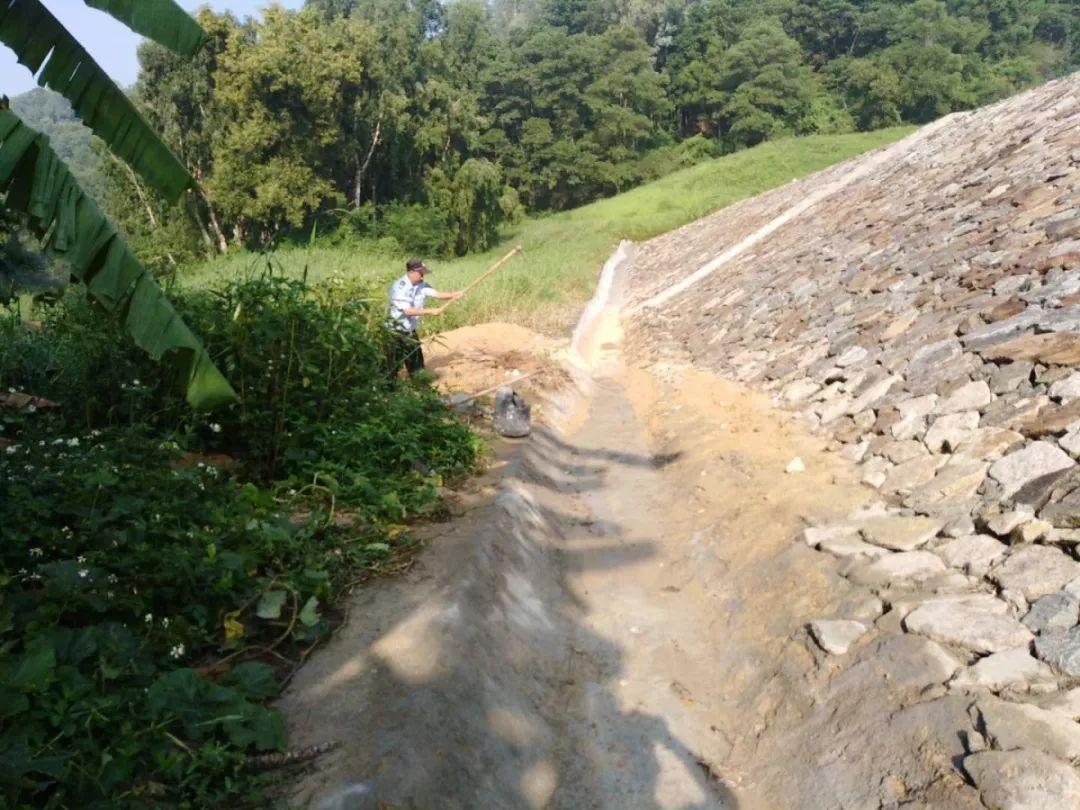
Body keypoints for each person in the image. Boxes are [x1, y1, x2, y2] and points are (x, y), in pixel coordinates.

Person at [384, 257, 463, 380]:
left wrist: (453, 295)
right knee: (391, 366)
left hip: (409, 331)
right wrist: (431, 311)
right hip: (394, 332)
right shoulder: (399, 287)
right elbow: (407, 310)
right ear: (411, 272)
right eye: (420, 273)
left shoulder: (421, 285)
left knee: (416, 365)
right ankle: (388, 387)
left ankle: (419, 382)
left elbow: (436, 294)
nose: (423, 276)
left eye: (423, 273)